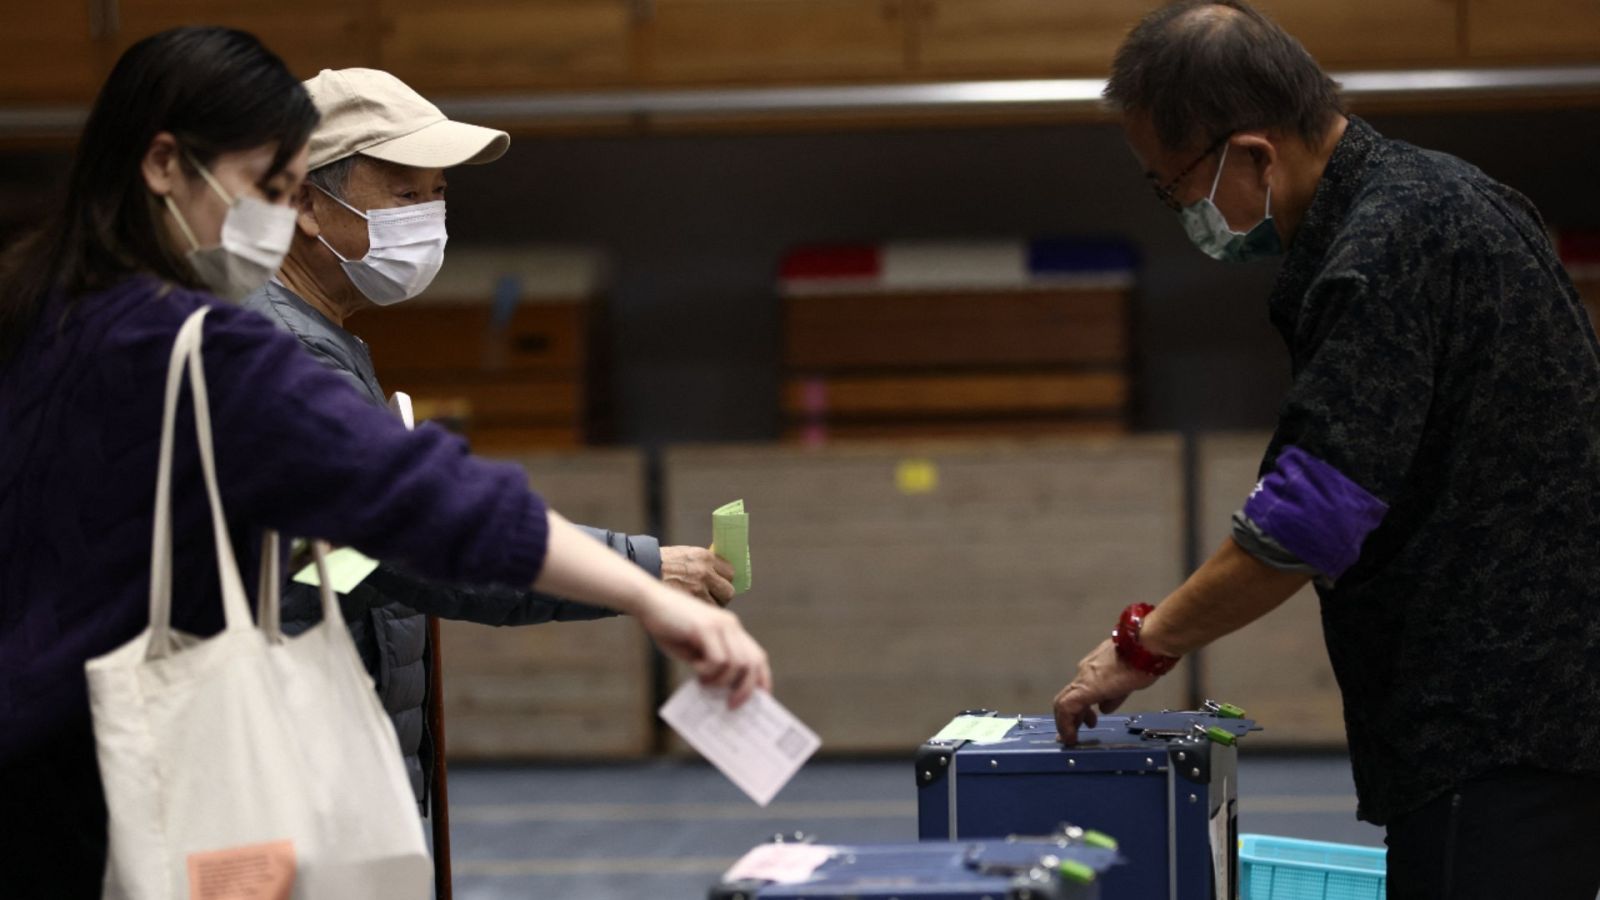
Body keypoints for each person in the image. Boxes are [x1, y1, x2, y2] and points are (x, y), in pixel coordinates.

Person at [0, 27, 768, 898]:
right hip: (134, 792)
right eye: (267, 187)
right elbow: (416, 503)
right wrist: (637, 584)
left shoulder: (47, 311)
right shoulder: (212, 346)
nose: (277, 215)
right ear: (164, 165)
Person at [1050, 2, 1600, 897]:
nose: (1182, 209)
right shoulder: (1451, 193)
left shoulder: (1384, 247)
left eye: (1174, 184)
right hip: (1542, 710)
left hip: (1494, 727)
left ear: (1255, 153)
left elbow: (1310, 518)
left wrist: (1139, 648)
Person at [239, 66, 738, 809]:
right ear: (307, 204)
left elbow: (346, 562)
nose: (428, 217)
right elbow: (416, 540)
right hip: (294, 783)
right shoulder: (280, 354)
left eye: (438, 194)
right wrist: (638, 573)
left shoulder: (320, 342)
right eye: (404, 194)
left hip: (332, 764)